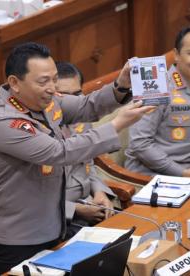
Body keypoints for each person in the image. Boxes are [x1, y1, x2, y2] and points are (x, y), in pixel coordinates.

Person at [0, 42, 153, 275]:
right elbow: (60, 152)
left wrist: (121, 84)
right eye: (43, 81)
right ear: (15, 83)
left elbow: (87, 106)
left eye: (54, 79)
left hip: (49, 227)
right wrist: (117, 125)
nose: (51, 88)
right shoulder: (3, 122)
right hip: (10, 239)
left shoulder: (44, 102)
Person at [125, 26, 190, 176]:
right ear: (176, 55)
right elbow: (140, 144)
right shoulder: (153, 87)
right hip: (152, 176)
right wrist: (182, 172)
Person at [55, 62, 115, 239]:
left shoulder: (81, 117)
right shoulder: (39, 132)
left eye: (77, 94)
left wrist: (99, 192)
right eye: (64, 96)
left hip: (88, 207)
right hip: (59, 220)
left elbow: (88, 164)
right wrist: (77, 210)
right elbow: (33, 199)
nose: (72, 101)